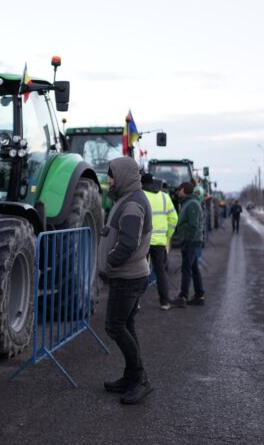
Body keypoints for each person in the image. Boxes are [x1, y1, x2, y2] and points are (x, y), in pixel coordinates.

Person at [97, 156, 153, 405]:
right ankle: (131, 376)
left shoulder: (132, 204)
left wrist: (109, 262)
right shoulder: (128, 199)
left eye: (112, 176)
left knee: (115, 327)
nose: (109, 180)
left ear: (123, 176)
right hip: (130, 275)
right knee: (126, 325)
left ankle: (140, 379)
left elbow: (128, 243)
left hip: (127, 277)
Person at [141, 173, 178, 310]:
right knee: (160, 271)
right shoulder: (165, 197)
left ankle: (135, 303)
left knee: (139, 271)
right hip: (160, 242)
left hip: (143, 242)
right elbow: (174, 218)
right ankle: (164, 302)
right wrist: (167, 235)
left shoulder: (140, 196)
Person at [170, 182, 206, 307]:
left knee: (186, 269)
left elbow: (194, 225)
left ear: (184, 189)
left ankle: (183, 297)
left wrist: (187, 240)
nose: (177, 192)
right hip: (190, 241)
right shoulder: (188, 203)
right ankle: (199, 295)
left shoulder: (192, 204)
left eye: (179, 189)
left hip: (191, 242)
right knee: (194, 268)